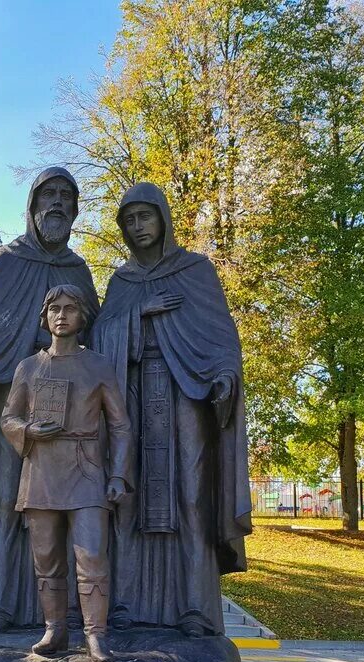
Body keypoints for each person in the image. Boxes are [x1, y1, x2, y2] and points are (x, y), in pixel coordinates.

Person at [0, 167, 100, 630]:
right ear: (31, 206)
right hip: (12, 400)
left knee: (66, 505)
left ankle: (65, 613)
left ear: (74, 209)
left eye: (65, 197)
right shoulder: (5, 262)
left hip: (68, 411)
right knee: (7, 501)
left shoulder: (77, 270)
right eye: (47, 194)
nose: (56, 203)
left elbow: (99, 328)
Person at [91, 183, 252, 636]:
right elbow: (101, 339)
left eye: (145, 216)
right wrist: (139, 312)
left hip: (186, 394)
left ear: (163, 218)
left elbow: (222, 339)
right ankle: (122, 605)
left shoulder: (195, 271)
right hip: (134, 391)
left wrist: (223, 376)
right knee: (125, 497)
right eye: (129, 220)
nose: (137, 227)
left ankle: (196, 607)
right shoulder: (122, 282)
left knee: (191, 496)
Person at [0, 285, 133, 662]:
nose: (61, 315)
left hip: (87, 469)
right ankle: (55, 630)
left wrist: (118, 475)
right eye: (54, 309)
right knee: (46, 558)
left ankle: (96, 636)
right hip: (41, 469)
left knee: (91, 555)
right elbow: (8, 417)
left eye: (70, 309)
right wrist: (26, 430)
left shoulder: (99, 365)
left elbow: (121, 425)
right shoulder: (29, 367)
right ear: (45, 317)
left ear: (82, 317)